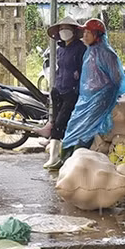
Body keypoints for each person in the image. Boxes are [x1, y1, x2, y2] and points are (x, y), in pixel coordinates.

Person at [60, 19, 125, 164]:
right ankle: (64, 159)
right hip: (85, 98)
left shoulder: (108, 54)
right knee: (73, 126)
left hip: (100, 98)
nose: (85, 36)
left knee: (85, 129)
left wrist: (107, 94)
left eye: (88, 32)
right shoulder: (88, 51)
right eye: (84, 32)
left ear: (97, 34)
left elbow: (117, 79)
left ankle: (74, 161)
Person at [38, 17, 88, 169]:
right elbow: (60, 69)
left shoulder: (81, 49)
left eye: (67, 28)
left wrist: (79, 87)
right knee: (57, 121)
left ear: (73, 31)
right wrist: (54, 87)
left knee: (60, 123)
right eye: (61, 29)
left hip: (72, 91)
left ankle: (54, 157)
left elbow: (84, 71)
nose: (63, 31)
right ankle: (58, 152)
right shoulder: (60, 50)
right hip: (58, 89)